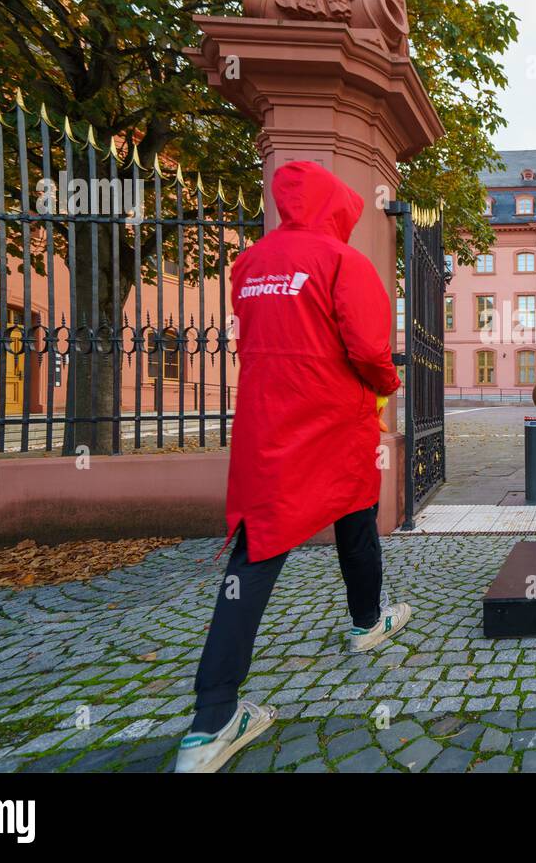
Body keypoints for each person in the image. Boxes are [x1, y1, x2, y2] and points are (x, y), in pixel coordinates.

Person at [175, 160, 409, 774]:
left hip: (268, 423)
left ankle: (213, 714)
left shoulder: (249, 263)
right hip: (334, 420)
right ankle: (366, 623)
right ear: (338, 207)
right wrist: (388, 381)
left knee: (257, 550)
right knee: (355, 516)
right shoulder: (344, 262)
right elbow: (366, 347)